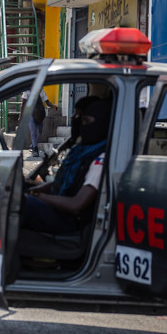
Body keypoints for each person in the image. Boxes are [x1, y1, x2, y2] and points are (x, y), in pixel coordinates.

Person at [22, 96, 111, 235]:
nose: (79, 122)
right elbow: (61, 184)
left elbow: (76, 204)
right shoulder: (81, 151)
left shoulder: (100, 159)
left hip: (71, 221)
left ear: (101, 124)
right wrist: (30, 188)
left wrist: (36, 195)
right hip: (61, 211)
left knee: (23, 205)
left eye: (86, 121)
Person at [22, 87, 55, 158]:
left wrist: (53, 106)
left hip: (39, 113)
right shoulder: (27, 91)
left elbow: (47, 102)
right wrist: (20, 115)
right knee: (33, 130)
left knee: (40, 131)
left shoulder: (41, 91)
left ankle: (33, 144)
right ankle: (35, 149)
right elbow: (23, 103)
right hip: (30, 113)